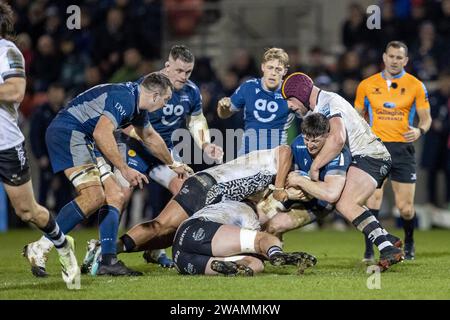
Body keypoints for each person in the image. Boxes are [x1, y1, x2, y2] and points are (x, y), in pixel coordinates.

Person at [24, 72, 191, 276]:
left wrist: (173, 163)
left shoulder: (136, 103)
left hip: (85, 138)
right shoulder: (125, 98)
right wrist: (124, 168)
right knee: (93, 197)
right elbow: (101, 133)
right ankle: (41, 246)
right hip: (70, 133)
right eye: (165, 100)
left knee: (116, 195)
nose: (165, 106)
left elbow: (149, 136)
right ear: (155, 96)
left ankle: (107, 261)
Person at [280, 72, 404, 271]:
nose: (290, 106)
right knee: (343, 202)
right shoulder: (321, 105)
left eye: (291, 100)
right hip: (365, 156)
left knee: (344, 202)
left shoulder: (328, 102)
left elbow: (337, 138)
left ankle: (387, 248)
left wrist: (314, 167)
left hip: (371, 156)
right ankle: (387, 240)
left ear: (302, 93)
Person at [0, 2, 79, 287]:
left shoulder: (8, 52)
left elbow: (16, 90)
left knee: (27, 211)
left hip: (6, 145)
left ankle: (61, 243)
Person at [129, 45, 223, 266]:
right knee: (120, 197)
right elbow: (127, 120)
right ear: (167, 65)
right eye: (179, 71)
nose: (184, 76)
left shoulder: (191, 91)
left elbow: (196, 119)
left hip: (166, 155)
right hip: (136, 149)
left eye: (188, 72)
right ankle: (105, 252)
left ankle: (156, 247)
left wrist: (206, 144)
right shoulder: (147, 85)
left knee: (184, 194)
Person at [355, 41, 432, 261]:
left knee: (405, 208)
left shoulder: (416, 85)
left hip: (402, 150)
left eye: (399, 57)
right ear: (384, 57)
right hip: (375, 150)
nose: (395, 60)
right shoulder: (367, 85)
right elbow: (355, 115)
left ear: (406, 60)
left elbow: (426, 119)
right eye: (391, 56)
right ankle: (370, 250)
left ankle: (409, 243)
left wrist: (419, 131)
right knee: (372, 202)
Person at [172, 199, 317, 276]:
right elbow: (258, 243)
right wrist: (271, 249)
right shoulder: (247, 210)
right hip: (199, 230)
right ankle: (276, 253)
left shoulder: (222, 204)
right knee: (263, 240)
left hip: (180, 258)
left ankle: (235, 268)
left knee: (254, 263)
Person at [217, 48, 295, 155]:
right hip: (247, 154)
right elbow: (224, 115)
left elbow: (308, 117)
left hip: (274, 156)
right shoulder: (249, 87)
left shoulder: (291, 93)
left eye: (278, 69)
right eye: (270, 67)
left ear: (285, 71)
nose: (273, 73)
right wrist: (223, 107)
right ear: (263, 67)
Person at [29, 82, 72, 212]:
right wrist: (39, 155)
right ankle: (43, 221)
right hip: (47, 158)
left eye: (59, 91)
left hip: (64, 158)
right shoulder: (41, 112)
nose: (57, 94)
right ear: (48, 93)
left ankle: (64, 221)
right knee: (45, 190)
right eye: (54, 91)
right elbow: (34, 135)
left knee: (64, 191)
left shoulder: (67, 112)